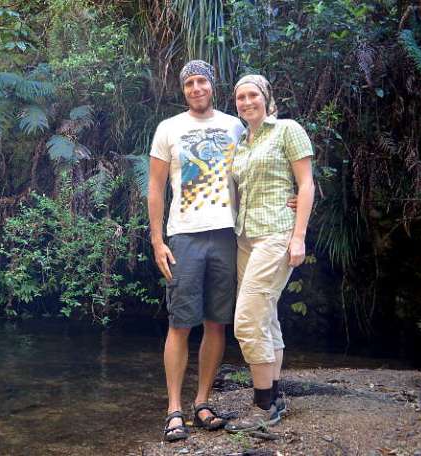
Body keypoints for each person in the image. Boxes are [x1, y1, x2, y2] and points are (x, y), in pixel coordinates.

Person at [148, 60, 245, 441]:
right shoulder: (169, 129)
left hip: (226, 233)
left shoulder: (234, 125)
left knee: (217, 322)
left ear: (212, 85)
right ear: (183, 90)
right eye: (189, 83)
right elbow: (155, 188)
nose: (195, 88)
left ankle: (202, 402)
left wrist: (287, 199)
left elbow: (255, 168)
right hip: (184, 236)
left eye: (201, 80)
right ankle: (174, 409)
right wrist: (157, 241)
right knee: (180, 322)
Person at [224, 74, 314, 433]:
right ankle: (275, 396)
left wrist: (299, 237)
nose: (246, 102)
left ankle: (262, 406)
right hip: (246, 237)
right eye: (240, 97)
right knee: (265, 316)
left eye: (252, 95)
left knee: (246, 320)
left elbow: (306, 183)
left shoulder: (287, 129)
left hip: (276, 234)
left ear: (266, 97)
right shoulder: (241, 142)